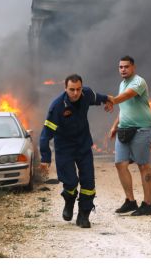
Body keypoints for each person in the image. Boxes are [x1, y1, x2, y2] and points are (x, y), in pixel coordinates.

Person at [39, 74, 113, 228]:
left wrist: (108, 100)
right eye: (72, 90)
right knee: (70, 181)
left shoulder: (87, 94)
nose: (76, 93)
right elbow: (45, 134)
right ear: (65, 88)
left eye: (78, 89)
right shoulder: (57, 106)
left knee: (88, 183)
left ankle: (83, 215)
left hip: (83, 146)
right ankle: (69, 200)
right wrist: (45, 158)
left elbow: (98, 97)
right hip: (64, 149)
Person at [108, 55, 151, 216]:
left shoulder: (138, 82)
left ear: (133, 67)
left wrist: (112, 100)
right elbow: (124, 108)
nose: (123, 69)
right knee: (120, 164)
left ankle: (148, 205)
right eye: (120, 67)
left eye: (126, 66)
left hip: (142, 129)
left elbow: (127, 96)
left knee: (143, 166)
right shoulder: (122, 84)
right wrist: (114, 126)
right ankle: (130, 201)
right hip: (124, 130)